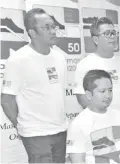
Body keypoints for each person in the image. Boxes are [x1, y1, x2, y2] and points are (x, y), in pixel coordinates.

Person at [1, 8, 67, 163]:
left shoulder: (60, 58)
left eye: (53, 26)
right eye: (47, 27)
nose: (53, 31)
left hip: (60, 129)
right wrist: (23, 125)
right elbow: (6, 100)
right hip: (36, 134)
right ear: (32, 32)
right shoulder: (18, 60)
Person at [67, 69, 120, 164]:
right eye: (102, 91)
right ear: (89, 95)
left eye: (110, 90)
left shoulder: (119, 117)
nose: (108, 95)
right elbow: (77, 160)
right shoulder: (78, 124)